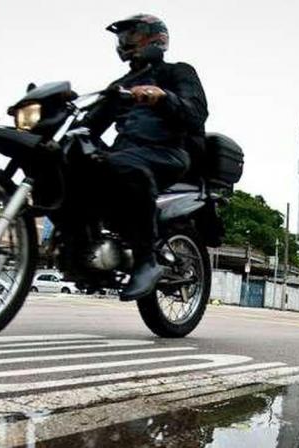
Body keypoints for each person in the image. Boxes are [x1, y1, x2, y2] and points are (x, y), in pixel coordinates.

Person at [83, 14, 208, 301]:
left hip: (167, 152)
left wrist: (162, 97)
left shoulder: (177, 72)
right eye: (123, 37)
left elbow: (196, 112)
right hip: (126, 151)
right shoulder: (121, 84)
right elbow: (91, 124)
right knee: (77, 159)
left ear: (156, 38)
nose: (126, 42)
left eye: (133, 35)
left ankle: (146, 259)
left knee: (126, 166)